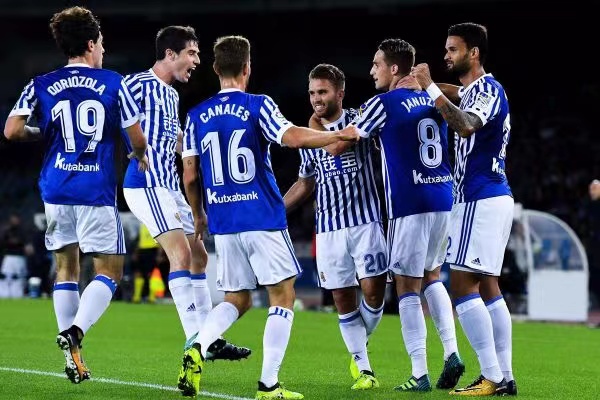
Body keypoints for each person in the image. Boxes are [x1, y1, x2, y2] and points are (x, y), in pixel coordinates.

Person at [179, 35, 359, 399]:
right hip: (261, 215)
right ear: (247, 68)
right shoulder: (257, 105)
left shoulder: (196, 116)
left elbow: (191, 175)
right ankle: (268, 384)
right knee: (283, 295)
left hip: (224, 221)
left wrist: (198, 214)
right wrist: (335, 136)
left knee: (237, 298)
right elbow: (291, 138)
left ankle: (198, 346)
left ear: (215, 68)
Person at [3, 6, 149, 384]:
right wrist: (138, 153)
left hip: (55, 188)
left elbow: (12, 130)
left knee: (66, 269)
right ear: (90, 44)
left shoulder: (41, 83)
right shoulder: (114, 82)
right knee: (110, 270)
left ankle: (73, 358)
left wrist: (42, 133)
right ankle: (76, 331)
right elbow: (137, 137)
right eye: (101, 43)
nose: (104, 49)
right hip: (94, 190)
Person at [327, 38, 464, 392]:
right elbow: (461, 98)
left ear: (393, 68)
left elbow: (347, 139)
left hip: (409, 203)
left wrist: (314, 138)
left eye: (376, 64)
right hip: (443, 197)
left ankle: (419, 373)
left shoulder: (382, 104)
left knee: (407, 286)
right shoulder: (433, 97)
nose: (372, 71)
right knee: (433, 276)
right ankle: (451, 351)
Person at [122, 25, 250, 361]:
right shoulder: (136, 84)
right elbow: (114, 117)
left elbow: (174, 138)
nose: (197, 60)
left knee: (199, 256)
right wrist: (131, 148)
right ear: (170, 54)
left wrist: (198, 147)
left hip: (170, 186)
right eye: (192, 53)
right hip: (147, 184)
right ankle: (197, 341)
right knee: (179, 254)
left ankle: (210, 337)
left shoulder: (172, 95)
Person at [410, 22, 516, 396]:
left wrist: (429, 86)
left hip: (478, 198)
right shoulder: (477, 90)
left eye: (452, 49)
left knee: (460, 285)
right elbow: (460, 94)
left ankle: (492, 376)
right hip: (492, 197)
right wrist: (425, 86)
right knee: (488, 286)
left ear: (473, 52)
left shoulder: (487, 89)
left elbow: (467, 125)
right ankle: (505, 376)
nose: (446, 55)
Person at [283, 63, 386, 390]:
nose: (316, 98)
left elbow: (337, 146)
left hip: (366, 222)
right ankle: (364, 369)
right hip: (328, 229)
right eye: (312, 93)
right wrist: (275, 211)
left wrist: (315, 128)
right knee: (342, 298)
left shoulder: (359, 118)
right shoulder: (308, 134)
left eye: (323, 92)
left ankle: (359, 344)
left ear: (340, 93)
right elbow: (305, 181)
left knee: (374, 293)